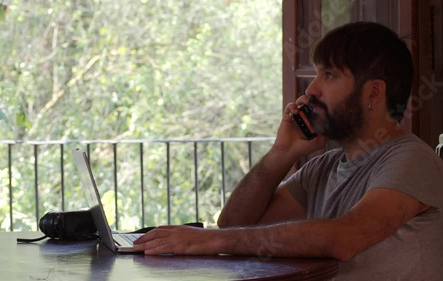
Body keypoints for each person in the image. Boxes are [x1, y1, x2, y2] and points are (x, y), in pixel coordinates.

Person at [133, 22, 443, 280]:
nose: (311, 90)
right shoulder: (323, 167)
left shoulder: (411, 159)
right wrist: (281, 153)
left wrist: (209, 239)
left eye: (329, 75)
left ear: (374, 92)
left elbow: (344, 238)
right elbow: (236, 223)